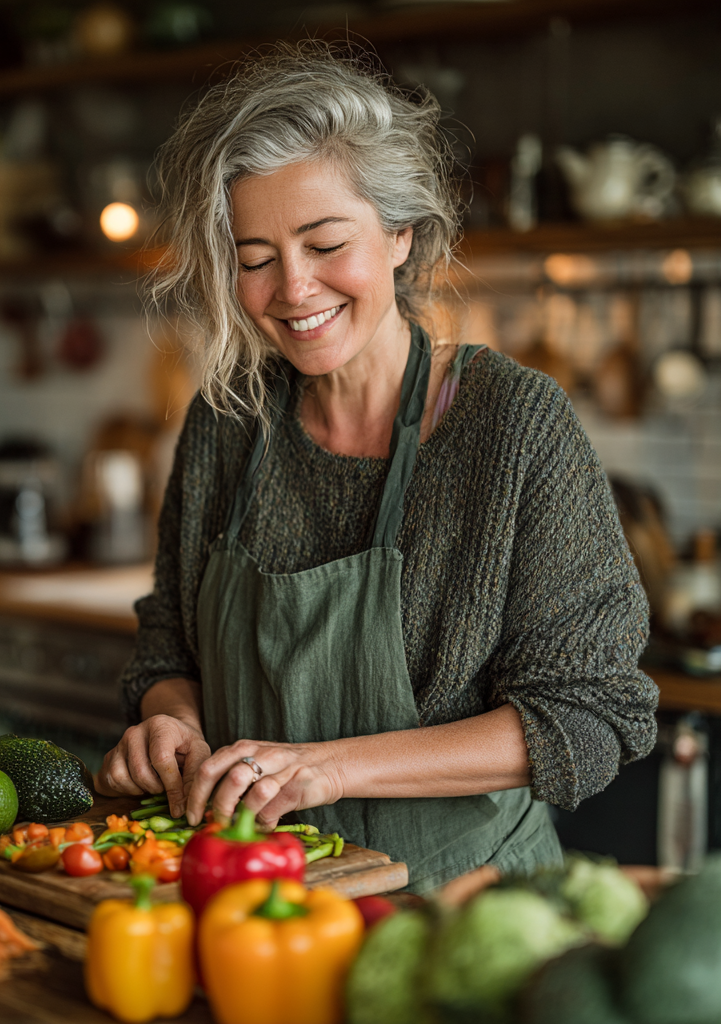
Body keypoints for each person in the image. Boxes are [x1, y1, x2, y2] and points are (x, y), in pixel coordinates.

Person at [95, 43, 658, 891]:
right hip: (253, 898)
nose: (293, 288)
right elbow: (169, 641)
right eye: (255, 258)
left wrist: (329, 769)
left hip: (464, 912)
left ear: (400, 234)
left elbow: (589, 714)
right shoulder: (226, 419)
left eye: (325, 243)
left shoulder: (511, 426)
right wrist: (169, 722)